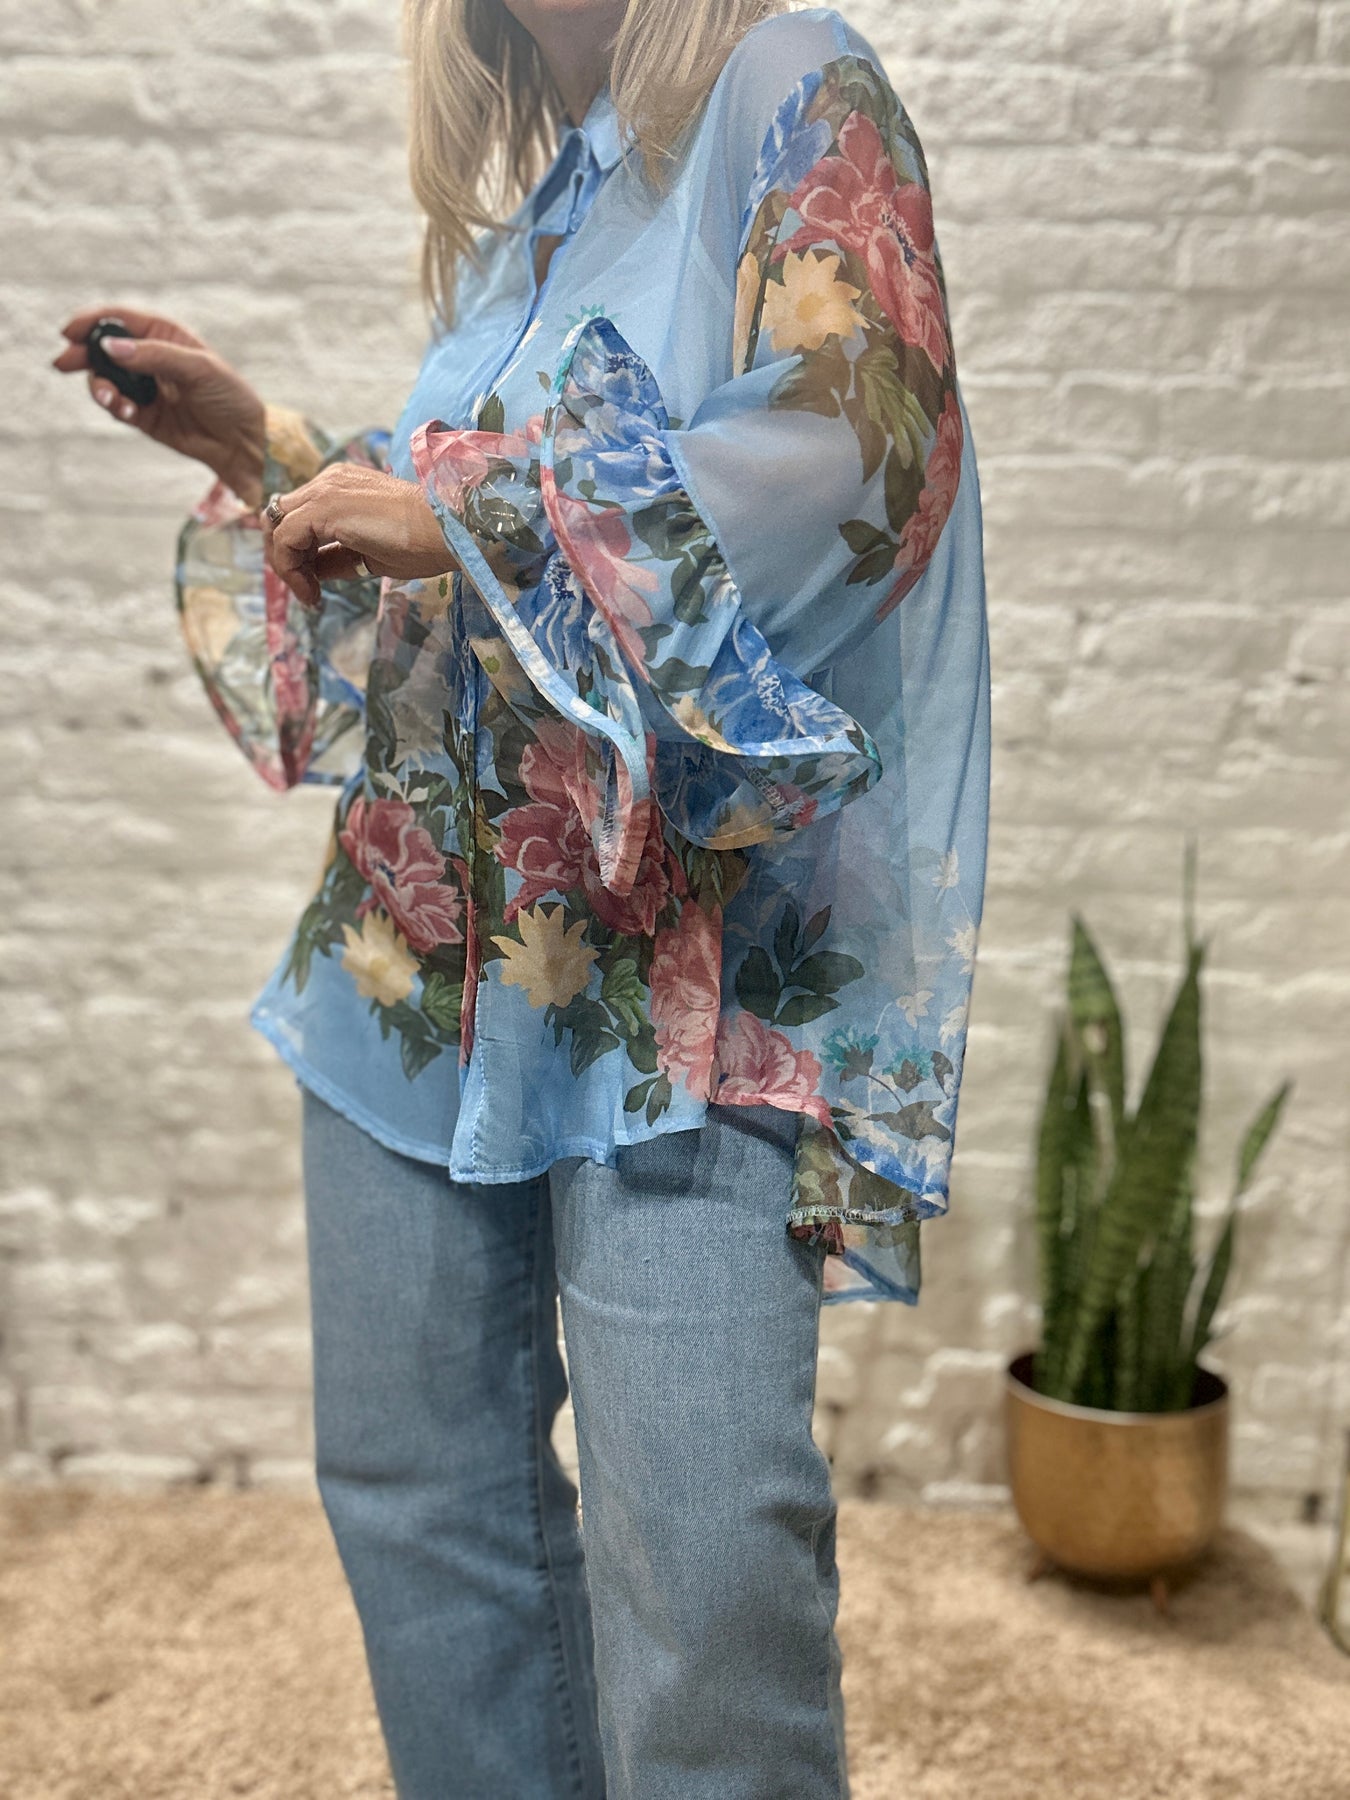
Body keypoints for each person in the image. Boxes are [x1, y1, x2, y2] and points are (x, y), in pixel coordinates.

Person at [53, 1, 990, 1793]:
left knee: (702, 1565)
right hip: (413, 964)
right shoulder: (544, 203)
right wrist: (267, 451)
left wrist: (482, 518)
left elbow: (862, 453)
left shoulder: (786, 81)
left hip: (680, 975)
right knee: (421, 1492)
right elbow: (463, 582)